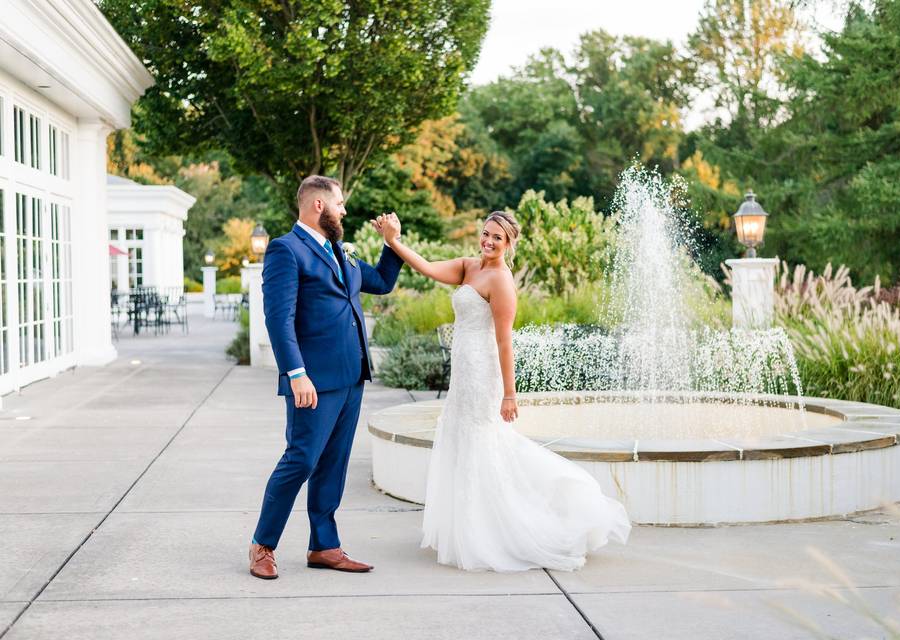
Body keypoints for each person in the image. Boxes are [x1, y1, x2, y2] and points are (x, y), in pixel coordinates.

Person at [377, 210, 631, 572]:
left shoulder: (501, 282)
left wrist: (509, 394)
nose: (488, 241)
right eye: (485, 234)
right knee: (462, 440)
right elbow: (428, 268)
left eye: (497, 237)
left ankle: (497, 531)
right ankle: (468, 527)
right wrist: (393, 241)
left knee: (482, 442)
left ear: (509, 244)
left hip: (483, 374)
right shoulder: (469, 266)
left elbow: (504, 341)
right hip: (463, 373)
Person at [248, 175, 403, 579]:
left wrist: (392, 243)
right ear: (319, 206)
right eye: (340, 203)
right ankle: (263, 545)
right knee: (300, 460)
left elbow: (382, 283)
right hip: (312, 381)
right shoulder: (285, 250)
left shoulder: (341, 250)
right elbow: (278, 319)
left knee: (334, 464)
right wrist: (296, 374)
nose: (345, 211)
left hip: (351, 376)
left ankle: (324, 546)